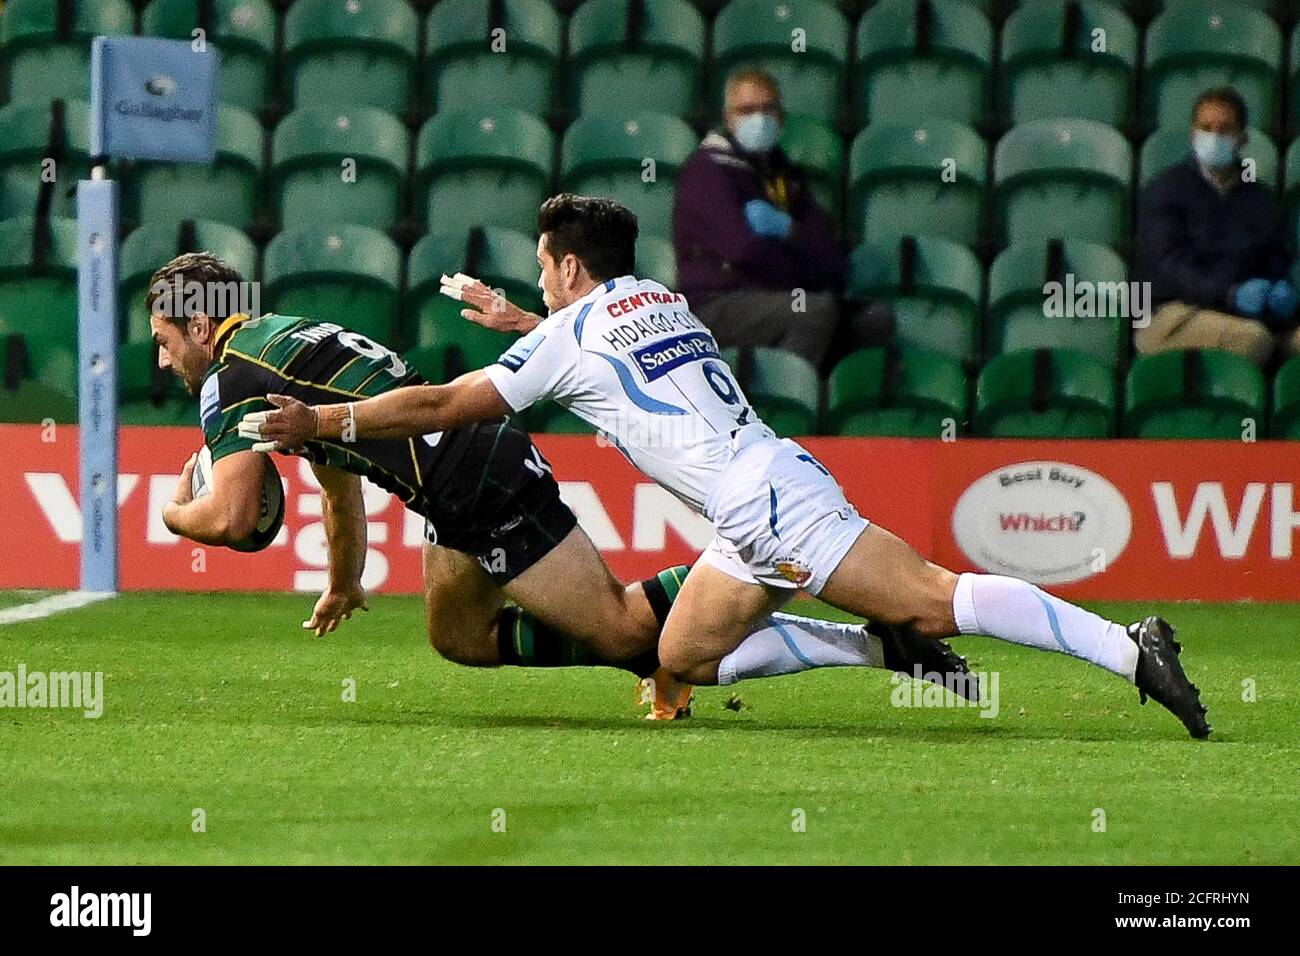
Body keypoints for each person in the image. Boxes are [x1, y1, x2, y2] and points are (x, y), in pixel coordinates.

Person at [245, 195, 1211, 739]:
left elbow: (448, 406)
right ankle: (884, 652)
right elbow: (601, 362)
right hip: (751, 510)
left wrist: (324, 415)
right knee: (677, 660)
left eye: (544, 266)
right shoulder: (655, 299)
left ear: (570, 268)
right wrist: (523, 324)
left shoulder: (574, 327)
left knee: (930, 593)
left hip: (774, 502)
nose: (541, 276)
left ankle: (1130, 647)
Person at [153, 252, 966, 720]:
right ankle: (722, 612)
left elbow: (232, 518)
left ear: (198, 324)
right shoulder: (283, 335)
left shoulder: (231, 375)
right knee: (458, 636)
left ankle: (812, 603)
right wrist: (342, 584)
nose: (162, 360)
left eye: (163, 340)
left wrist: (171, 510)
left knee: (619, 632)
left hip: (475, 482)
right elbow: (335, 480)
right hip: (458, 475)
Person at [672, 69, 890, 371]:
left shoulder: (782, 172)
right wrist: (802, 270)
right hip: (715, 301)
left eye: (767, 109)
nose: (759, 119)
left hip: (776, 294)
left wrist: (789, 232)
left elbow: (829, 249)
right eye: (747, 111)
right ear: (729, 118)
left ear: (781, 117)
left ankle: (824, 403)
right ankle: (771, 404)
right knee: (813, 312)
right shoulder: (708, 171)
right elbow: (743, 252)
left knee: (874, 321)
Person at [1134, 87, 1300, 367]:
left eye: (1225, 129)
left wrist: (1279, 288)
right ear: (1192, 133)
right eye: (1206, 127)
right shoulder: (1165, 190)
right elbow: (1171, 264)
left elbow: (1273, 257)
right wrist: (1229, 294)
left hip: (1247, 318)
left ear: (1242, 138)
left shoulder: (1260, 199)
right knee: (1251, 340)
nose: (1214, 136)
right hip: (1174, 315)